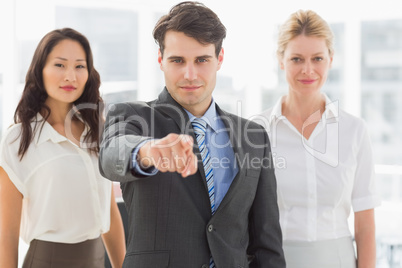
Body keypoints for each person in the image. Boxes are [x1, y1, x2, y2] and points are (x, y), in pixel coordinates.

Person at [99, 2, 285, 267]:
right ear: (161, 60)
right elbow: (111, 155)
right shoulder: (132, 116)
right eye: (177, 60)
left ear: (219, 59)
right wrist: (147, 151)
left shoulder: (253, 136)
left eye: (201, 60)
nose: (190, 74)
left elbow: (267, 242)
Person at [256, 10, 381, 268]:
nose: (307, 69)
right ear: (281, 60)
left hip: (337, 260)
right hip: (274, 260)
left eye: (317, 58)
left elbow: (365, 224)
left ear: (331, 60)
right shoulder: (258, 130)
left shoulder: (354, 130)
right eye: (297, 59)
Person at [0, 28, 126, 267]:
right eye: (60, 65)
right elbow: (6, 235)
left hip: (95, 260)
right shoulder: (18, 140)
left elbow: (108, 211)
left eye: (79, 66)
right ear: (40, 70)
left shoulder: (96, 130)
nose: (71, 76)